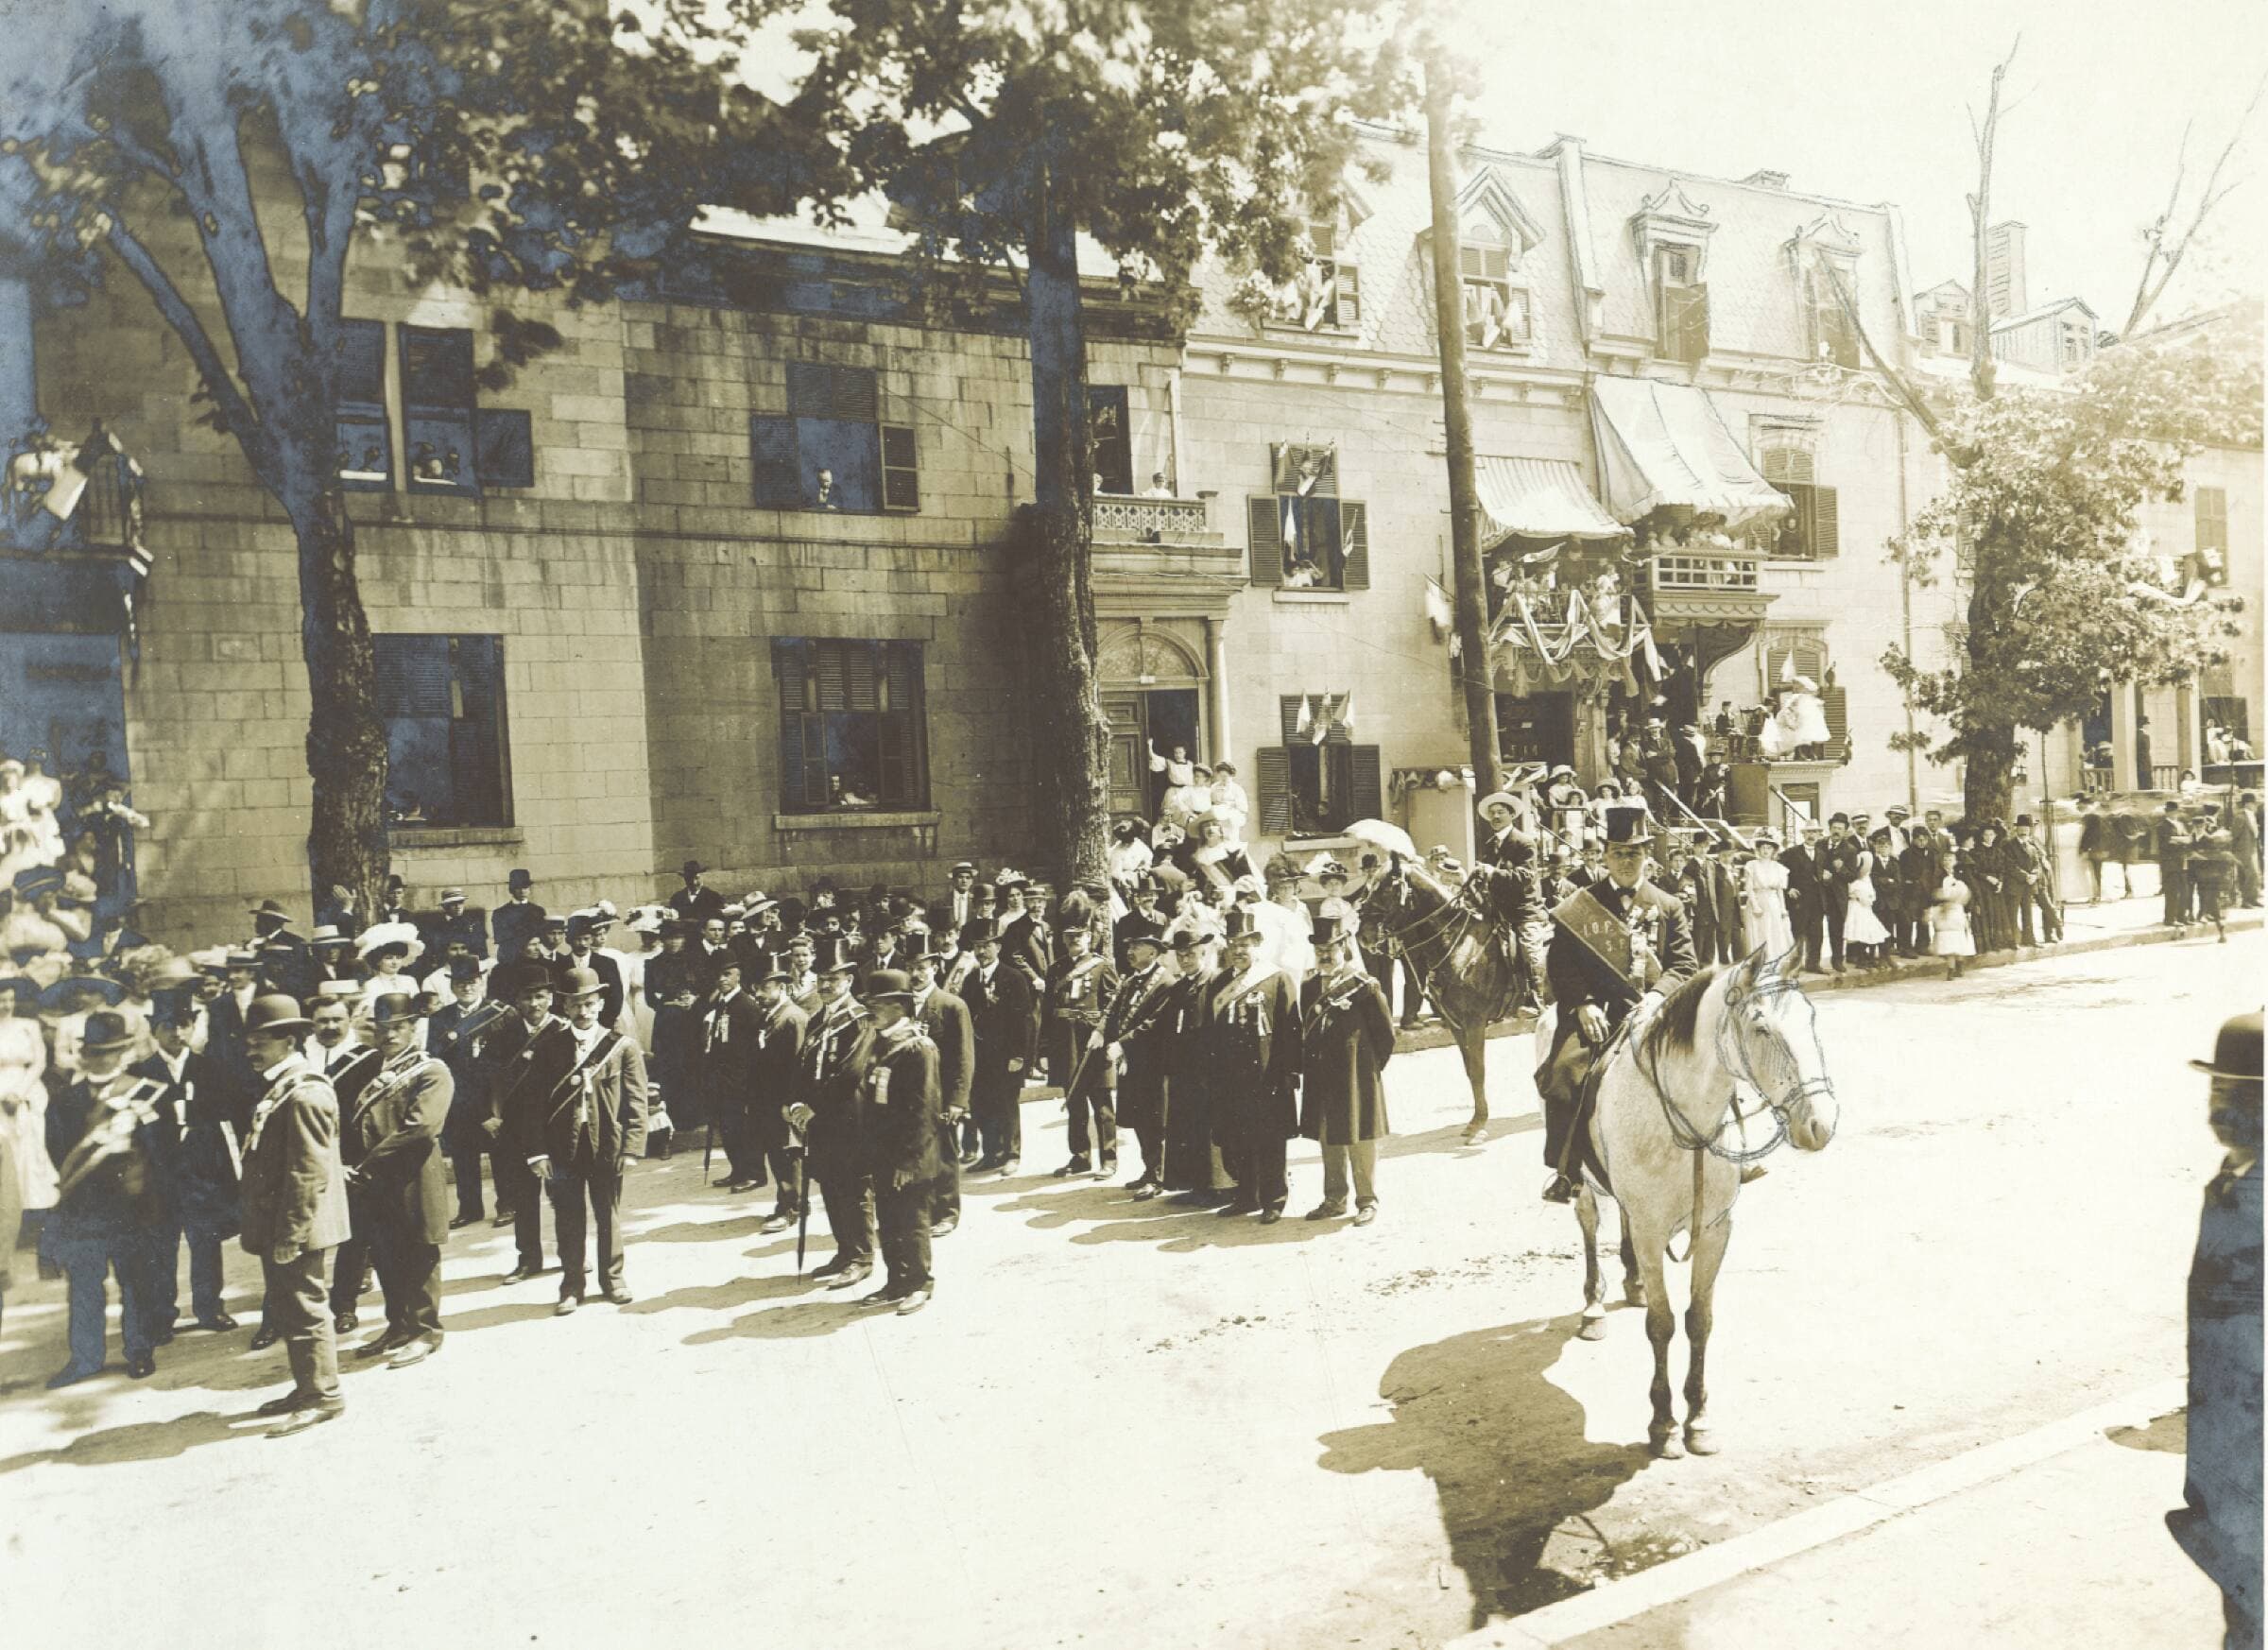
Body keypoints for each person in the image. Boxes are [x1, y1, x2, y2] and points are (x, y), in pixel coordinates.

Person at [1535, 806, 1698, 1204]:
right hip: (1597, 1013)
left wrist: (1657, 997)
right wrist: (1583, 1004)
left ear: (1647, 856)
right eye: (1618, 853)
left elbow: (1684, 965)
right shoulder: (1580, 905)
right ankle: (1567, 1170)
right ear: (1605, 856)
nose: (1626, 861)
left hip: (1654, 1010)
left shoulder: (1668, 905)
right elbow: (1561, 964)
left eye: (1634, 853)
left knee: (1706, 1066)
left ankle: (1719, 1158)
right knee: (1562, 1078)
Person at [2170, 1013, 2262, 1650]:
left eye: (2244, 1095)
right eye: (2217, 1090)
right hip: (2226, 1430)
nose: (2221, 1109)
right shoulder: (2232, 1181)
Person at [237, 992, 352, 1434]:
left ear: (288, 1041)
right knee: (289, 1306)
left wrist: (290, 1234)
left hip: (296, 1225)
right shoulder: (283, 1086)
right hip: (280, 1221)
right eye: (249, 1041)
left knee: (305, 1307)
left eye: (261, 1042)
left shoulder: (305, 1093)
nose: (252, 1050)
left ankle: (324, 1395)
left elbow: (308, 1173)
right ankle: (308, 1386)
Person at [43, 1010, 169, 1386]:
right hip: (85, 1209)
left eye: (111, 1051)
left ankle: (139, 1350)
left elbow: (160, 1153)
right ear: (83, 1055)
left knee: (136, 1282)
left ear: (125, 1051)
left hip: (132, 1208)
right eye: (95, 1052)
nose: (103, 1059)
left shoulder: (146, 1091)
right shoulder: (64, 1100)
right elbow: (57, 1151)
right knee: (84, 1286)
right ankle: (85, 1358)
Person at [516, 966, 646, 1314]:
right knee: (568, 1218)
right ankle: (572, 1285)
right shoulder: (549, 1048)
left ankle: (613, 1279)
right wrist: (537, 1153)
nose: (583, 1011)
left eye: (589, 1003)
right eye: (575, 1004)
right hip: (562, 1148)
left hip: (607, 1145)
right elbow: (533, 1106)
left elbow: (636, 1101)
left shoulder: (621, 1046)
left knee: (609, 1214)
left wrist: (632, 1147)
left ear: (600, 1003)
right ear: (565, 1006)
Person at [343, 989, 451, 1366]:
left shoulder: (431, 1071)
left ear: (413, 1028)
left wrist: (367, 1164)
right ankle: (399, 1325)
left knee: (420, 1254)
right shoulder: (369, 1069)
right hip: (377, 1183)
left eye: (398, 1027)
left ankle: (426, 1332)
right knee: (386, 1255)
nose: (389, 1035)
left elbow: (420, 1128)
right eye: (382, 1028)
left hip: (412, 1179)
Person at [137, 990, 243, 1333]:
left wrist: (224, 1177)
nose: (177, 1033)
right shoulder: (140, 1073)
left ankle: (210, 1308)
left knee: (206, 1242)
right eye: (168, 1026)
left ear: (194, 1026)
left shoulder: (210, 1068)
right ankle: (161, 1315)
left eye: (183, 1025)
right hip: (159, 1176)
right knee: (160, 1247)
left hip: (201, 1174)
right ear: (153, 1030)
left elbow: (224, 1121)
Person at [846, 971, 940, 1314]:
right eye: (870, 1003)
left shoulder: (917, 1047)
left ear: (900, 1006)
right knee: (888, 1221)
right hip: (883, 1152)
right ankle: (896, 1281)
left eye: (878, 1004)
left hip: (909, 1156)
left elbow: (924, 1111)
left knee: (912, 1221)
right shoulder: (880, 1041)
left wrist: (909, 1161)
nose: (871, 1010)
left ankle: (920, 1283)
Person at [1297, 915, 1394, 1226]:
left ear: (1344, 948)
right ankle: (1334, 1199)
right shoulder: (1309, 987)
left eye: (1331, 949)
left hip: (1357, 1075)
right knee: (1329, 1136)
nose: (1325, 955)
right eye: (1320, 950)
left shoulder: (1364, 985)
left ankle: (1367, 1200)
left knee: (1361, 1137)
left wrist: (1368, 1070)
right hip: (1323, 1076)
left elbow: (1385, 1036)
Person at [1207, 907, 1301, 1223]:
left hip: (1267, 1075)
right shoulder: (1219, 984)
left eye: (1245, 944)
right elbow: (1211, 1033)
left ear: (1257, 944)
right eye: (1233, 944)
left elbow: (1291, 1028)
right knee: (1238, 1137)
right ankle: (1247, 1195)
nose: (1238, 950)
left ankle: (1274, 1199)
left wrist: (1290, 1072)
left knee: (1270, 1139)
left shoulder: (1277, 979)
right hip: (1231, 1076)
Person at [795, 936, 877, 1289]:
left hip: (850, 1117)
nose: (825, 985)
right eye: (821, 978)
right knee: (830, 1184)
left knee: (854, 1187)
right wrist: (798, 1102)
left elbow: (851, 1072)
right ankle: (844, 1250)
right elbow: (803, 1066)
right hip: (821, 1120)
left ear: (849, 979)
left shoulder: (860, 1020)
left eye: (833, 978)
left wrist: (814, 1105)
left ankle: (862, 1256)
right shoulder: (818, 1019)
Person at [483, 962, 567, 1282]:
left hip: (556, 1126)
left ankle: (570, 1254)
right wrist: (490, 1114)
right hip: (517, 1129)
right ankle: (529, 1259)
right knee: (524, 1198)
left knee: (563, 1195)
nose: (534, 1004)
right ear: (517, 1001)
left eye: (540, 996)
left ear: (551, 998)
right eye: (527, 997)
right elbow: (487, 1078)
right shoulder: (502, 1035)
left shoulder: (563, 1031)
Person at [907, 941, 972, 1236]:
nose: (916, 974)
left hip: (942, 1095)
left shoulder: (952, 1005)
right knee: (917, 1155)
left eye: (922, 968)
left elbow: (964, 1057)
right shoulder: (901, 1006)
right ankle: (923, 1211)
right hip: (911, 1097)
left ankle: (947, 1212)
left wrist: (958, 1100)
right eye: (911, 968)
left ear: (934, 967)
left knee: (944, 1155)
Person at [1044, 923, 1120, 1179]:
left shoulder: (1102, 966)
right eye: (1069, 936)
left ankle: (1109, 1159)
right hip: (1066, 1045)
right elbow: (1047, 1010)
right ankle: (1080, 1157)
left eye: (1079, 935)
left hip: (1093, 1043)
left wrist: (1107, 1037)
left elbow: (1114, 1007)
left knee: (1102, 1106)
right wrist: (1044, 1049)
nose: (1074, 940)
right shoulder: (1056, 969)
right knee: (1075, 1103)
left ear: (1089, 937)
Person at [962, 919, 1037, 1175]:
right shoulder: (971, 980)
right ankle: (991, 1153)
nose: (981, 951)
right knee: (983, 1104)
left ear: (998, 947)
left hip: (1006, 1055)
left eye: (986, 946)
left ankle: (1012, 1154)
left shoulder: (1013, 978)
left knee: (1007, 1105)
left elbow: (1023, 1020)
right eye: (977, 946)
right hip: (981, 1056)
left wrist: (1018, 1055)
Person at [743, 960, 809, 1234]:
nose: (759, 994)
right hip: (765, 1100)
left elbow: (798, 1064)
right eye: (756, 988)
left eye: (765, 988)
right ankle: (787, 1203)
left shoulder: (793, 1018)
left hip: (782, 1102)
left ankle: (792, 1208)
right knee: (776, 1154)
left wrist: (790, 1103)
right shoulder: (768, 1016)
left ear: (782, 987)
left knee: (787, 1155)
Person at [430, 958, 497, 1228]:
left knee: (501, 1154)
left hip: (493, 1098)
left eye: (472, 982)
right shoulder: (440, 1019)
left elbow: (506, 1061)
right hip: (458, 1098)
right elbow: (436, 1060)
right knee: (462, 1156)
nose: (467, 988)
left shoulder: (498, 1013)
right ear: (452, 986)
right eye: (460, 983)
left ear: (481, 982)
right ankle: (470, 1209)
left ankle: (507, 1204)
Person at [1778, 823, 1828, 974]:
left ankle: (1813, 964)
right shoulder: (1791, 853)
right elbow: (1779, 872)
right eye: (1808, 832)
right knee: (1798, 932)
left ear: (1819, 835)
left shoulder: (1822, 854)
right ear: (1803, 834)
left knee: (1817, 933)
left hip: (1817, 901)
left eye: (1815, 832)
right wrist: (1788, 888)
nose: (1811, 835)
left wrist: (1828, 877)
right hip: (1799, 900)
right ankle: (1796, 966)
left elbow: (1826, 875)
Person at [1843, 830, 1892, 967]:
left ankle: (1870, 957)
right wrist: (1867, 899)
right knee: (1860, 933)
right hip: (1857, 909)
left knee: (1870, 932)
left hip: (1866, 909)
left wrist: (1871, 898)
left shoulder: (1867, 879)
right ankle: (1861, 958)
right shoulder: (1856, 882)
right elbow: (1861, 897)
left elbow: (1872, 894)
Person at [1929, 864, 1975, 979]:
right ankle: (1955, 968)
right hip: (1949, 917)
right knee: (1952, 945)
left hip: (1953, 917)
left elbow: (1962, 896)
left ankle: (1955, 968)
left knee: (1954, 945)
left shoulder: (1960, 885)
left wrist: (1947, 898)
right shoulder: (1947, 882)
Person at [491, 868, 545, 966]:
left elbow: (543, 936)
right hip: (510, 958)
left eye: (525, 887)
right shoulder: (500, 913)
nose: (522, 891)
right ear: (512, 889)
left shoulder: (539, 911)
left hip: (534, 958)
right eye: (518, 887)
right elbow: (501, 938)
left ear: (529, 889)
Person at [2158, 803, 2195, 931]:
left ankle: (2182, 917)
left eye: (2177, 811)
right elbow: (2167, 842)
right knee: (2172, 891)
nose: (2175, 814)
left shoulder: (2180, 824)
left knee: (2184, 890)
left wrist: (2178, 840)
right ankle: (2170, 918)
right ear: (2167, 812)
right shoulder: (2162, 826)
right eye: (2172, 811)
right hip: (2170, 862)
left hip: (2182, 860)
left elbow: (2188, 838)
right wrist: (2181, 840)